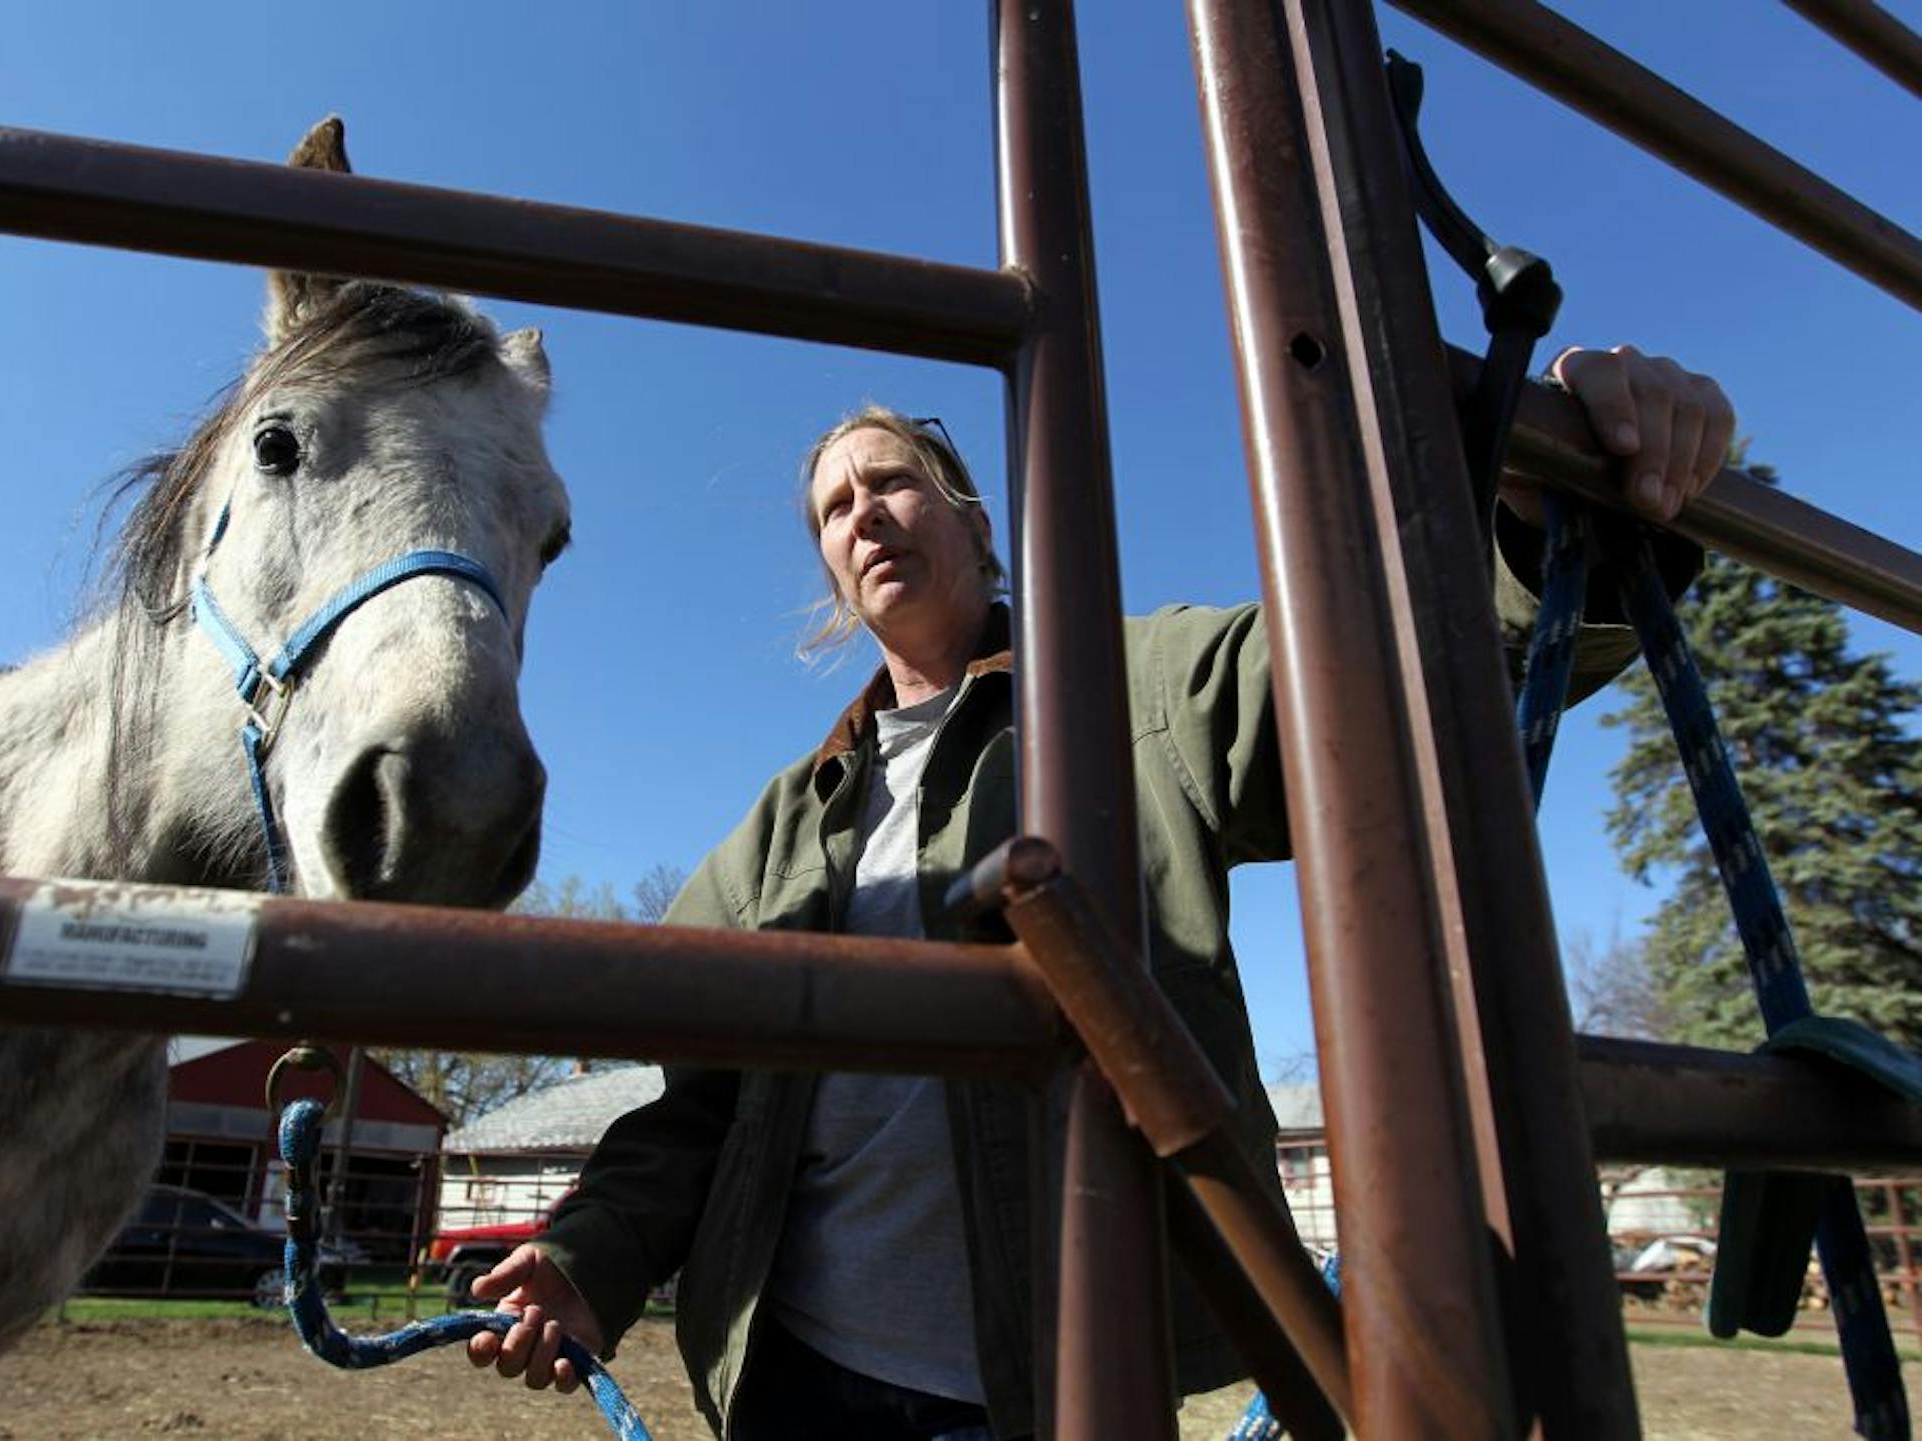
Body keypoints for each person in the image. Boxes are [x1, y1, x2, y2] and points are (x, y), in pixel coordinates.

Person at [465, 347, 1735, 1439]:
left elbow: (1378, 677)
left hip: (1047, 1385)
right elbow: (696, 1107)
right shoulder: (782, 827)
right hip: (790, 1370)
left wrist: (1539, 512)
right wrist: (591, 1257)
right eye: (835, 508)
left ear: (971, 521)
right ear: (835, 581)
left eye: (893, 479)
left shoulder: (1135, 690)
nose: (865, 513)